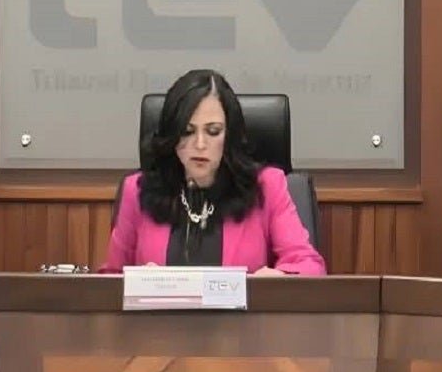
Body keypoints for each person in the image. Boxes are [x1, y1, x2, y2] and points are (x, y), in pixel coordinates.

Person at [101, 69, 326, 275]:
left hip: (244, 310)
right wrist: (137, 283)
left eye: (213, 131)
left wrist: (278, 279)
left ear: (229, 135)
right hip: (159, 310)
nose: (200, 144)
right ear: (172, 136)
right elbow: (109, 281)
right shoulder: (137, 191)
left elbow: (310, 266)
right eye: (188, 131)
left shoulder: (266, 187)